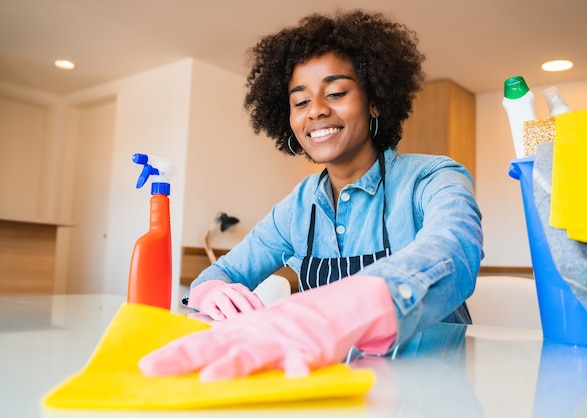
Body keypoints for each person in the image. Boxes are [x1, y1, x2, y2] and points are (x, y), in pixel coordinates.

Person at [139, 9, 483, 382]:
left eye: (336, 93)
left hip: (434, 387)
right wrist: (210, 291)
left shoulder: (432, 178)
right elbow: (221, 271)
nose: (316, 110)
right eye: (300, 102)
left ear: (375, 102)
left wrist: (341, 310)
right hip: (331, 387)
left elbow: (455, 249)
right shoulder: (295, 209)